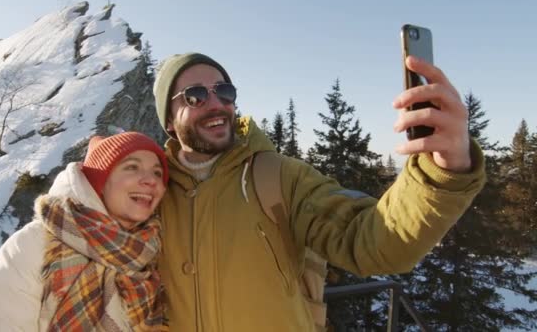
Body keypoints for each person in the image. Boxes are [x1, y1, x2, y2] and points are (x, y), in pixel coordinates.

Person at [151, 52, 486, 331]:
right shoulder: (148, 193)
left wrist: (442, 167)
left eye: (224, 92)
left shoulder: (278, 177)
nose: (216, 104)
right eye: (196, 95)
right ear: (168, 119)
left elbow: (371, 239)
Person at [0, 132, 170, 332]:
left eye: (157, 173)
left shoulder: (149, 250)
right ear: (100, 180)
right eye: (132, 167)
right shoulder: (35, 243)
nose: (150, 180)